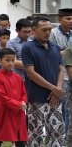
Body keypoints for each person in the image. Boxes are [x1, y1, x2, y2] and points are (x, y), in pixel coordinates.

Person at [22, 17, 65, 146]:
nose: (47, 32)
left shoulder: (55, 47)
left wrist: (57, 90)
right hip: (37, 98)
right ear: (34, 30)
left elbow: (60, 69)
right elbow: (31, 73)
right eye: (44, 30)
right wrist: (54, 89)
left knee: (57, 134)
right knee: (36, 135)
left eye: (50, 30)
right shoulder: (28, 48)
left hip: (55, 99)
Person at [0, 48, 27, 147]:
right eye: (7, 60)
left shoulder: (18, 77)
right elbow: (3, 97)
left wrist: (23, 102)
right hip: (5, 110)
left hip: (18, 111)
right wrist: (19, 104)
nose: (11, 63)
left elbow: (23, 93)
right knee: (0, 133)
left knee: (19, 135)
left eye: (13, 60)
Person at [52, 8, 72, 136]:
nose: (71, 21)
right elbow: (52, 54)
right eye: (68, 18)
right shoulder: (52, 33)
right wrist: (66, 52)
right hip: (61, 74)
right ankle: (64, 135)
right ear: (59, 19)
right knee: (64, 107)